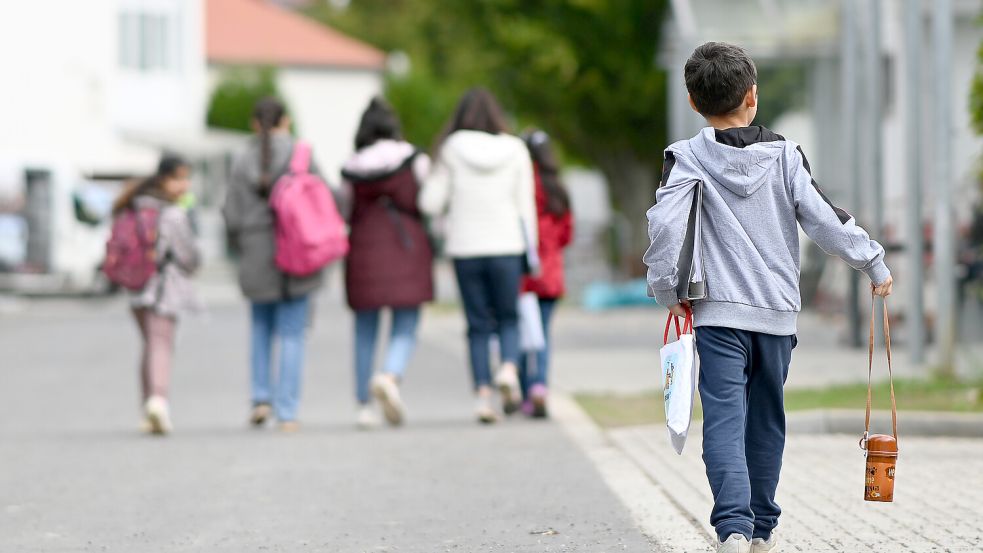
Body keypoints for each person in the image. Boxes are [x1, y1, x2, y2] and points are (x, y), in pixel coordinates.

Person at [643, 42, 893, 553]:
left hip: (716, 316)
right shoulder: (785, 156)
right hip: (777, 316)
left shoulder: (685, 158)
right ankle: (761, 529)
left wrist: (667, 290)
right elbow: (825, 219)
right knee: (767, 421)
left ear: (692, 101)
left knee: (725, 421)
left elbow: (666, 230)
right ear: (753, 96)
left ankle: (732, 528)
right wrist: (872, 260)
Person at [420, 88, 537, 424]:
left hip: (465, 247)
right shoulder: (515, 149)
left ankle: (483, 397)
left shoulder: (451, 148)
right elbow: (525, 206)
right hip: (507, 245)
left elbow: (430, 202)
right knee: (509, 318)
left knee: (476, 325)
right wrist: (531, 250)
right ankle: (510, 370)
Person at [223, 97, 329, 433]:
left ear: (255, 124)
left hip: (256, 251)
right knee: (293, 334)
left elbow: (230, 213)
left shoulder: (241, 159)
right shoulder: (302, 155)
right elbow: (328, 198)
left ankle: (260, 399)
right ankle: (288, 411)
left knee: (260, 327)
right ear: (286, 121)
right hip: (299, 250)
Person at [341, 97, 434, 429]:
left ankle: (363, 405)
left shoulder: (352, 165)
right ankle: (390, 375)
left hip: (364, 250)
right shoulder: (414, 159)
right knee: (406, 324)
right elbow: (429, 201)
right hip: (406, 247)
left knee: (365, 331)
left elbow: (345, 210)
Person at [114, 154, 201, 435]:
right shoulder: (171, 213)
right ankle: (158, 401)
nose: (184, 185)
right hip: (163, 288)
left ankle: (146, 407)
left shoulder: (132, 206)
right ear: (164, 179)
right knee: (161, 344)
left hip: (135, 287)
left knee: (149, 345)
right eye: (179, 178)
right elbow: (188, 256)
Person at [517, 130, 573, 418]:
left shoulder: (520, 185)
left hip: (523, 275)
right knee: (543, 336)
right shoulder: (558, 188)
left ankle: (524, 392)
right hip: (550, 275)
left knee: (522, 334)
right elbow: (566, 234)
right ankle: (540, 387)